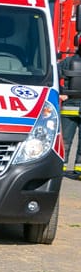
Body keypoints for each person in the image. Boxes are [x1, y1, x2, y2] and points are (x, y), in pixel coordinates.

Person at [59, 42, 81, 178]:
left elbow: (53, 74)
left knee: (65, 141)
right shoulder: (67, 62)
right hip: (69, 108)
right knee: (65, 142)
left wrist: (61, 92)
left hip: (69, 107)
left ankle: (62, 168)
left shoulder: (68, 62)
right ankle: (76, 171)